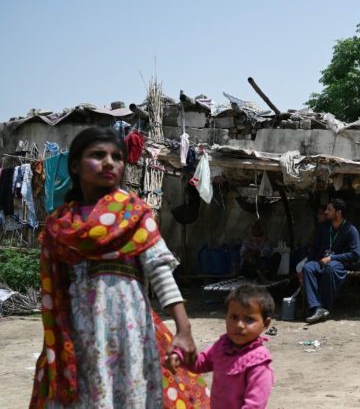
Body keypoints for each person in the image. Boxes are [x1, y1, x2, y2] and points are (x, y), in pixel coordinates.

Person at [30, 127, 209, 408]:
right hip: (79, 332)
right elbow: (55, 287)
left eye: (117, 157)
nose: (109, 162)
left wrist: (183, 329)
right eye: (98, 155)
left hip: (131, 330)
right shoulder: (60, 224)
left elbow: (160, 272)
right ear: (75, 165)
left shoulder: (134, 213)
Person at [169, 283, 275, 409]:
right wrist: (180, 356)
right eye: (234, 317)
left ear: (266, 323)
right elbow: (200, 363)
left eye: (249, 319)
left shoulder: (258, 361)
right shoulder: (222, 346)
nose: (239, 325)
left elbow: (255, 404)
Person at [302, 198, 360, 324]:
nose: (326, 212)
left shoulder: (351, 230)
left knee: (330, 268)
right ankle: (316, 307)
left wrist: (332, 258)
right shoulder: (323, 228)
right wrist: (309, 262)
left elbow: (355, 254)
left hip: (339, 264)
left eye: (329, 209)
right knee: (307, 268)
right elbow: (315, 249)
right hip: (321, 261)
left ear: (338, 213)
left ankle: (325, 307)